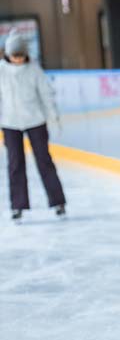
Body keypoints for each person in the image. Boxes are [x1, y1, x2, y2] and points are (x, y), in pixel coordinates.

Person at [0, 32, 66, 223]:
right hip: (10, 122)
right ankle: (18, 206)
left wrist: (53, 116)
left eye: (21, 56)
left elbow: (46, 94)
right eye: (15, 56)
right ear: (8, 55)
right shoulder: (2, 71)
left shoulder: (34, 70)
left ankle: (58, 201)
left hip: (36, 121)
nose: (18, 59)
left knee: (44, 160)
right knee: (15, 164)